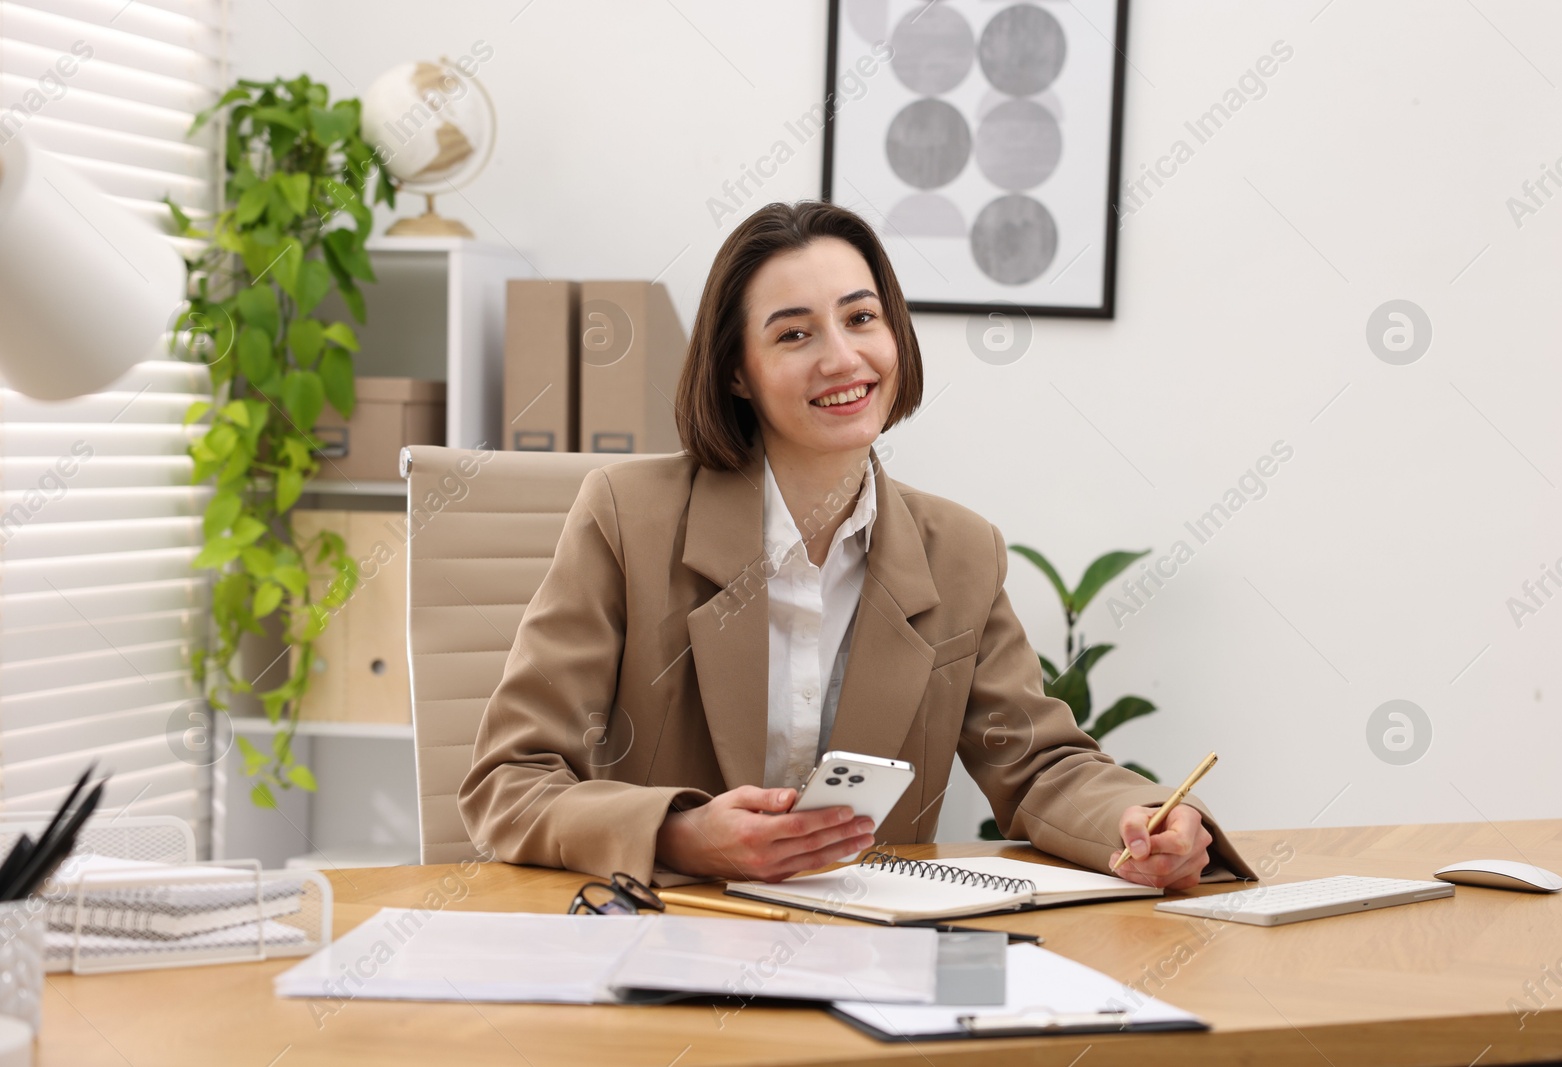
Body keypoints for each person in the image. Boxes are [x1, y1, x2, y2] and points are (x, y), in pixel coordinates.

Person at [459, 201, 1255, 889]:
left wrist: (1144, 818)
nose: (843, 357)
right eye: (795, 333)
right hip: (665, 937)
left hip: (868, 955)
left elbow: (1039, 764)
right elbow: (509, 780)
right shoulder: (628, 518)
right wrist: (679, 834)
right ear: (738, 372)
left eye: (861, 317)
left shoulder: (961, 552)